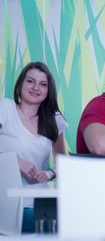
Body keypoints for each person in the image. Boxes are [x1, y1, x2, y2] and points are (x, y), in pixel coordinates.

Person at [0, 61, 68, 232]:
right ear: (21, 83)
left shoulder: (54, 119)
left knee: (71, 222)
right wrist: (16, 161)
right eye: (30, 81)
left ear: (48, 90)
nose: (36, 87)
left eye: (43, 84)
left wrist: (49, 173)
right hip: (7, 202)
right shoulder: (5, 108)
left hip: (40, 201)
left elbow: (64, 162)